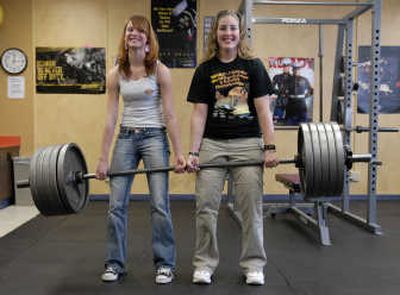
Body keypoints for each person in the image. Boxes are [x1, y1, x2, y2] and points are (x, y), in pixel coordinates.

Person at [186, 9, 279, 286]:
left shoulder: (253, 67)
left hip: (248, 144)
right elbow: (199, 114)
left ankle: (253, 265)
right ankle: (204, 264)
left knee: (251, 207)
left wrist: (269, 147)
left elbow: (264, 111)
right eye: (223, 28)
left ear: (240, 33)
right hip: (212, 145)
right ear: (215, 33)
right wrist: (193, 152)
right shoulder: (205, 70)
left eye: (233, 29)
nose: (228, 33)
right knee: (205, 206)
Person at [96, 15, 186, 284]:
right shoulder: (116, 73)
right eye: (129, 30)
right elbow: (111, 118)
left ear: (148, 39)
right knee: (115, 205)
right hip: (126, 138)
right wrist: (103, 159)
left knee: (159, 204)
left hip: (155, 137)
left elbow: (170, 115)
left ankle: (165, 264)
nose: (133, 33)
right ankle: (114, 263)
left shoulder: (160, 71)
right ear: (125, 37)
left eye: (139, 30)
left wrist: (179, 152)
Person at [271, 58, 292, 124]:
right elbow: (271, 87)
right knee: (275, 121)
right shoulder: (277, 77)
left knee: (290, 122)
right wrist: (279, 92)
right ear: (282, 66)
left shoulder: (293, 78)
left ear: (289, 66)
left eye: (287, 65)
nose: (286, 67)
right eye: (284, 65)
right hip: (280, 100)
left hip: (290, 101)